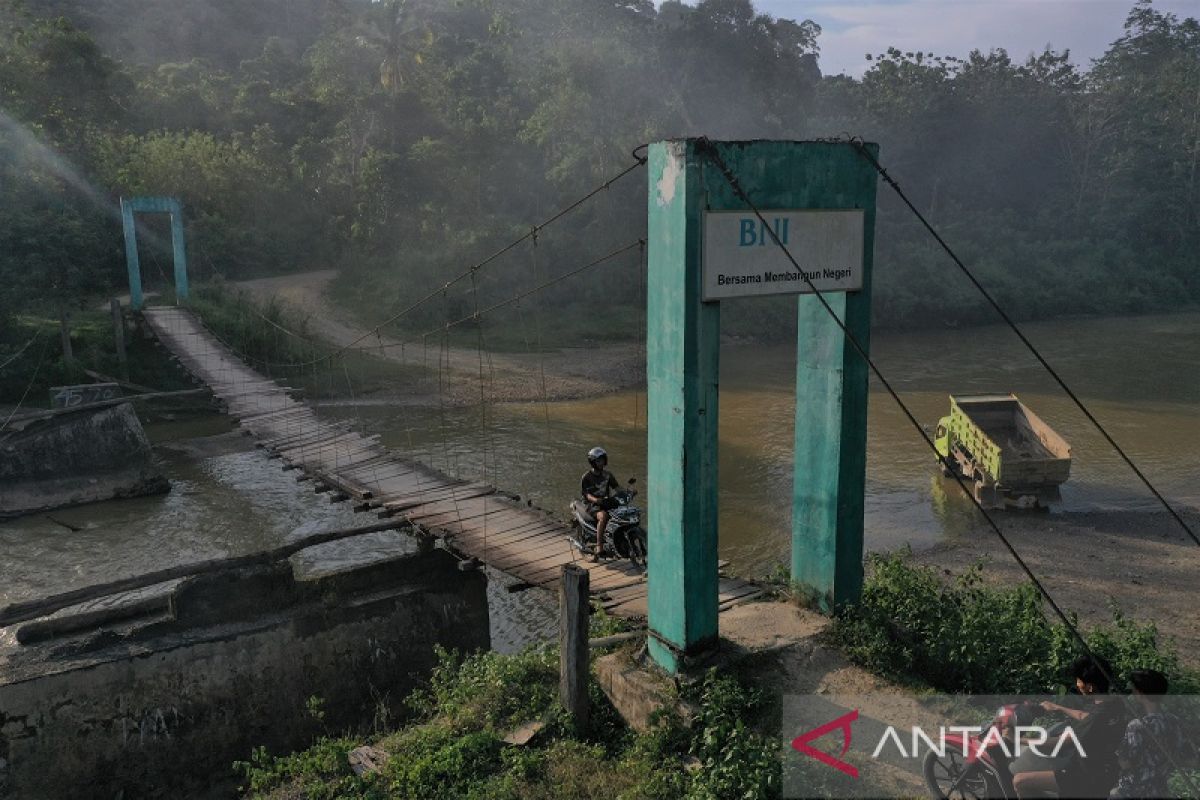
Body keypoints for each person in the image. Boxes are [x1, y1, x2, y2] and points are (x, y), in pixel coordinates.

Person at [1013, 655, 1128, 799]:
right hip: (1106, 772)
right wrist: (1058, 707)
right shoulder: (1116, 704)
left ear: (1090, 687)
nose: (1077, 684)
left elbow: (1058, 743)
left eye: (1079, 680)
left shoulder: (1096, 719)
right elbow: (1083, 715)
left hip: (1084, 777)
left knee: (1019, 781)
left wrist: (1016, 739)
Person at [1111, 669, 1191, 798]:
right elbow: (1184, 756)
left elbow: (1126, 763)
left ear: (1140, 693)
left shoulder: (1137, 725)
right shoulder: (1174, 721)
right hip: (1161, 790)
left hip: (1134, 790)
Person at [581, 446, 619, 562]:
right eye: (598, 460)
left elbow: (617, 487)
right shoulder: (586, 477)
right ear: (593, 462)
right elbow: (586, 494)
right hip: (592, 505)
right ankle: (599, 546)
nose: (601, 462)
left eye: (602, 460)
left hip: (605, 502)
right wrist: (595, 500)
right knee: (603, 516)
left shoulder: (608, 475)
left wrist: (629, 492)